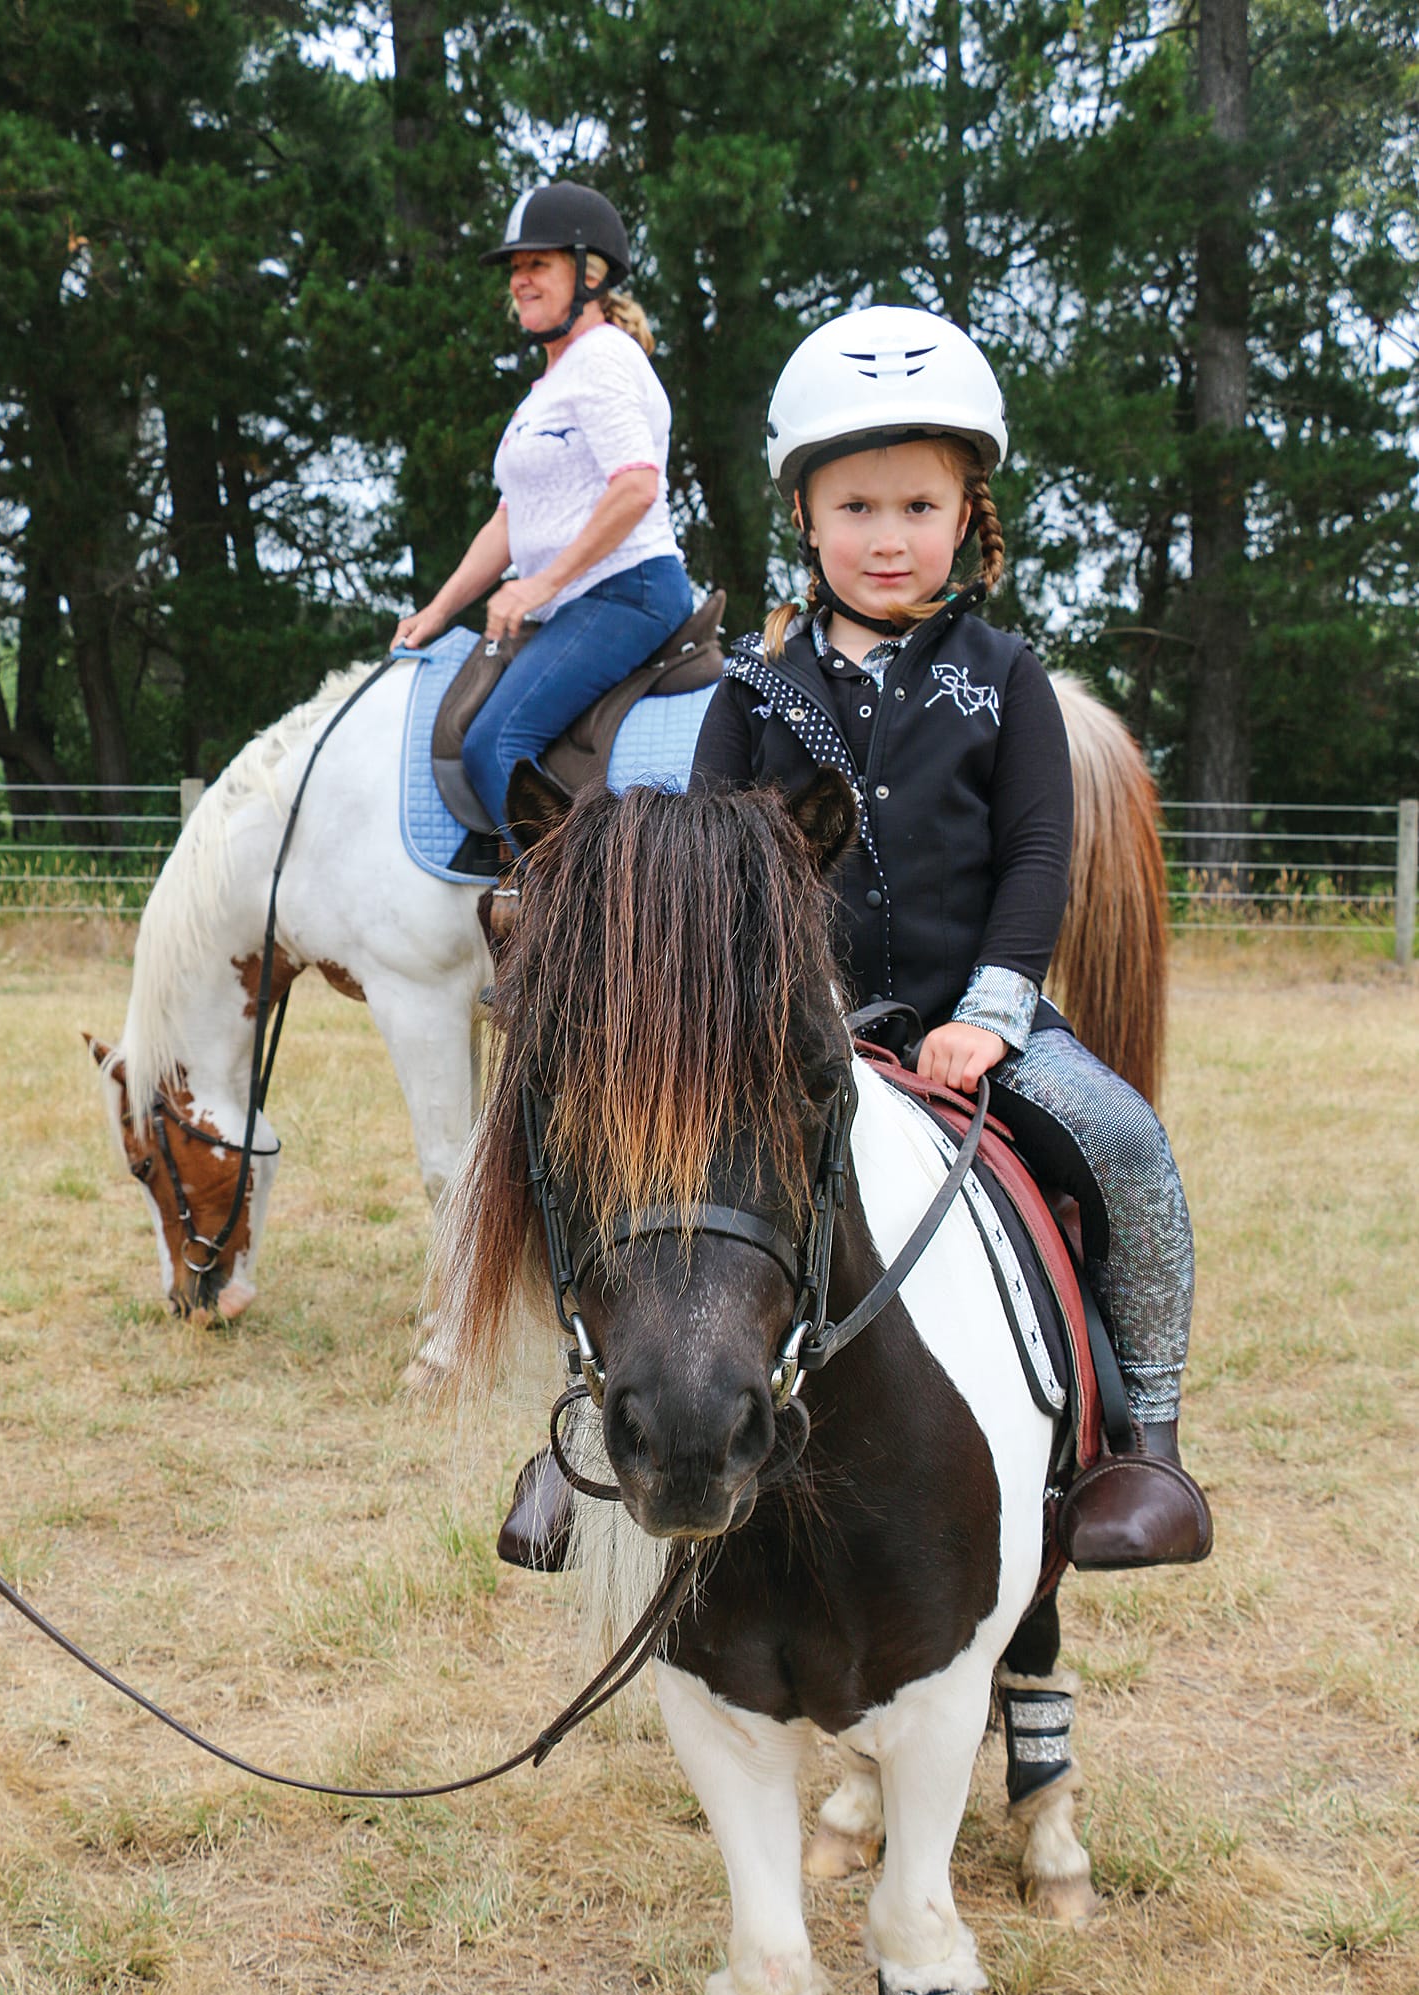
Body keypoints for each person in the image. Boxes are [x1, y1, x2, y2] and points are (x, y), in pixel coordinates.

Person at [688, 305, 1210, 1566]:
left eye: (919, 507)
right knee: (617, 1151)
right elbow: (707, 861)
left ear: (970, 516)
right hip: (783, 1030)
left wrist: (990, 1013)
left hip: (973, 1021)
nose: (886, 537)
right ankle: (583, 1432)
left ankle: (1146, 1448)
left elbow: (1038, 853)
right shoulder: (753, 694)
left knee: (1127, 1143)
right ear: (805, 518)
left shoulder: (1008, 674)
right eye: (856, 507)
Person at [392, 182, 694, 839]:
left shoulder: (605, 358)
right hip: (586, 598)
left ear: (588, 274)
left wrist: (539, 585)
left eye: (537, 264)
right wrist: (437, 614)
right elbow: (510, 521)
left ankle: (571, 922)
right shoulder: (551, 384)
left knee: (495, 744)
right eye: (515, 269)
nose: (520, 281)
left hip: (628, 590)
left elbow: (637, 484)